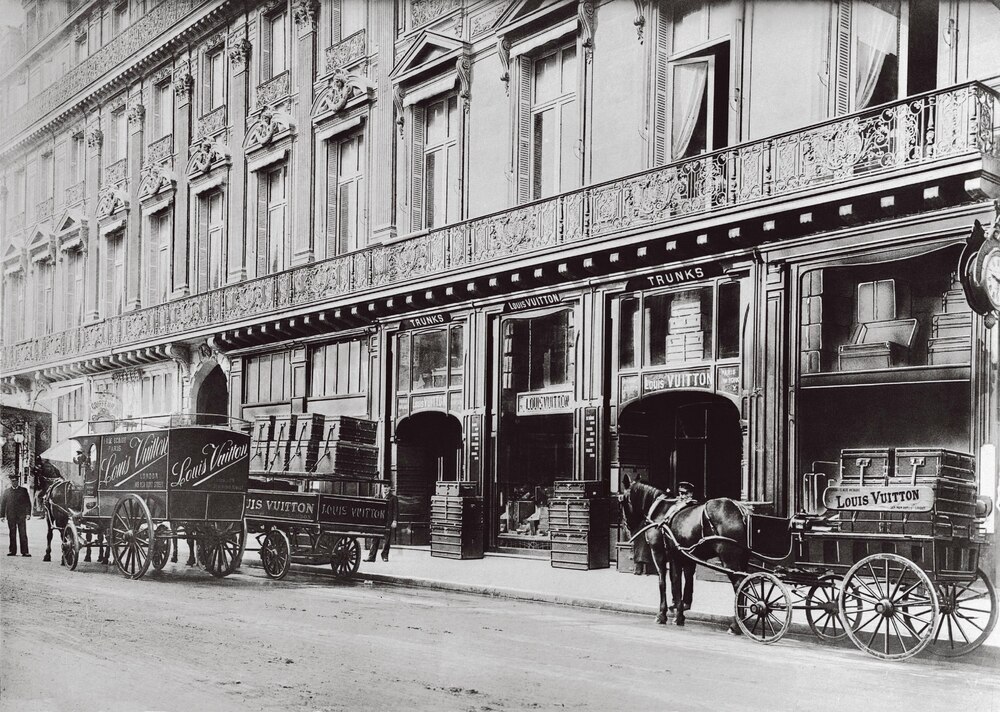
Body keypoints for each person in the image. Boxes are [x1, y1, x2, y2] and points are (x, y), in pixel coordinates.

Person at [667, 481, 698, 612]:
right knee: (676, 575)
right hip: (677, 547)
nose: (681, 496)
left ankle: (686, 601)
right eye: (680, 493)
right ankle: (676, 600)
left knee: (688, 575)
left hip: (688, 548)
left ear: (690, 494)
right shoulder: (676, 505)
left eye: (684, 493)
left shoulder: (690, 505)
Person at [364, 484, 398, 562]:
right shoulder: (377, 497)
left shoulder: (393, 498)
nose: (385, 489)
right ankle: (371, 557)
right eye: (384, 487)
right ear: (382, 488)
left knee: (387, 539)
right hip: (378, 521)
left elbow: (395, 511)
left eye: (387, 487)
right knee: (375, 538)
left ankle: (385, 556)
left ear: (390, 488)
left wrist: (395, 521)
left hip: (387, 521)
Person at [1, 474, 33, 557]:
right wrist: (2, 516)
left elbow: (28, 503)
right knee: (12, 533)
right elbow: (3, 504)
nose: (14, 483)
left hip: (21, 516)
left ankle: (25, 551)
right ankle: (12, 551)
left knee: (23, 533)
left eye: (15, 481)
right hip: (11, 516)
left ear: (18, 481)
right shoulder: (6, 491)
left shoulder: (23, 490)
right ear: (11, 482)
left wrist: (28, 514)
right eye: (12, 481)